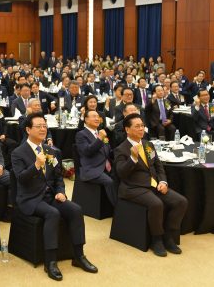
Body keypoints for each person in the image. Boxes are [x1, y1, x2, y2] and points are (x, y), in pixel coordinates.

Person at [12, 113, 97, 281]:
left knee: (76, 209)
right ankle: (50, 261)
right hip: (30, 198)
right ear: (28, 129)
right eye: (39, 126)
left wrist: (60, 191)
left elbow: (58, 177)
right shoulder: (18, 152)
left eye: (45, 126)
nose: (43, 129)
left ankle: (78, 256)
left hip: (51, 195)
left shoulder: (51, 150)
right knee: (53, 213)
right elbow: (21, 179)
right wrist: (36, 165)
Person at [114, 113, 188, 257]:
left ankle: (168, 236)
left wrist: (163, 181)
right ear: (127, 130)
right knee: (156, 204)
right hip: (133, 187)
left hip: (154, 185)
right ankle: (157, 239)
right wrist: (133, 158)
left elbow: (158, 166)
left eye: (142, 125)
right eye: (137, 126)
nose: (141, 129)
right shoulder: (121, 149)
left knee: (181, 201)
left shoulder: (148, 144)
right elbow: (121, 173)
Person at [75, 110, 117, 205]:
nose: (97, 118)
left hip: (106, 166)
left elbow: (109, 152)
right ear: (86, 119)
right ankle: (118, 209)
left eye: (98, 116)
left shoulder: (101, 133)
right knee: (109, 182)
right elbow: (87, 151)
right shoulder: (81, 134)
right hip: (92, 168)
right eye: (94, 116)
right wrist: (99, 139)